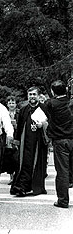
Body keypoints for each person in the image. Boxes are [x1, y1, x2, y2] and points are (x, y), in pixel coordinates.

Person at [12, 86, 49, 196]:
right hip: (25, 142)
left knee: (38, 164)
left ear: (38, 96)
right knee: (25, 164)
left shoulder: (44, 108)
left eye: (34, 94)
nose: (32, 97)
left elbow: (51, 123)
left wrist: (43, 125)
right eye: (30, 94)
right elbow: (19, 127)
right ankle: (23, 187)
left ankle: (37, 187)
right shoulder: (23, 109)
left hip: (39, 142)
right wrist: (17, 141)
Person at [46, 80, 73, 208]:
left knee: (62, 171)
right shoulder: (71, 103)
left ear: (52, 91)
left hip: (60, 141)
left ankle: (63, 200)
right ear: (66, 90)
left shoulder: (51, 104)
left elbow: (38, 117)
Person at [1, 95, 19, 185]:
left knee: (16, 158)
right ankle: (11, 176)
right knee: (9, 158)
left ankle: (16, 176)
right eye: (10, 103)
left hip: (16, 137)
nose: (11, 104)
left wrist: (16, 125)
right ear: (7, 104)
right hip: (7, 138)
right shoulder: (4, 113)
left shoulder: (19, 113)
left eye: (13, 103)